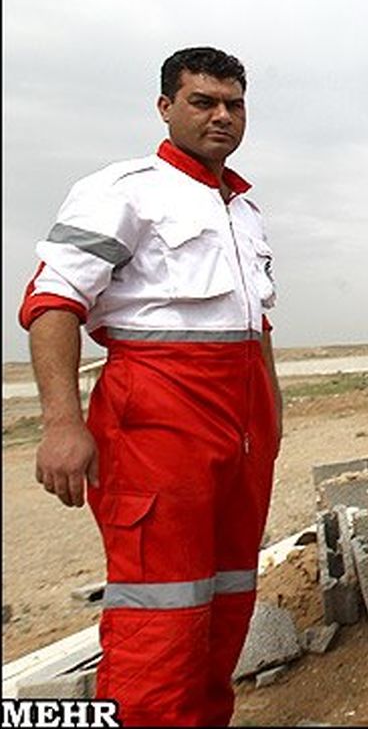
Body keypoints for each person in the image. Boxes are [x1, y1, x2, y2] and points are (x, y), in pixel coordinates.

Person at [18, 46, 282, 726]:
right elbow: (53, 301)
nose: (221, 116)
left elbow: (258, 327)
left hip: (243, 430)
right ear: (166, 108)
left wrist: (272, 421)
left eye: (233, 104)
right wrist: (61, 424)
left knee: (225, 613)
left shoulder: (244, 211)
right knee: (159, 627)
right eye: (203, 102)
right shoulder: (125, 191)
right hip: (158, 423)